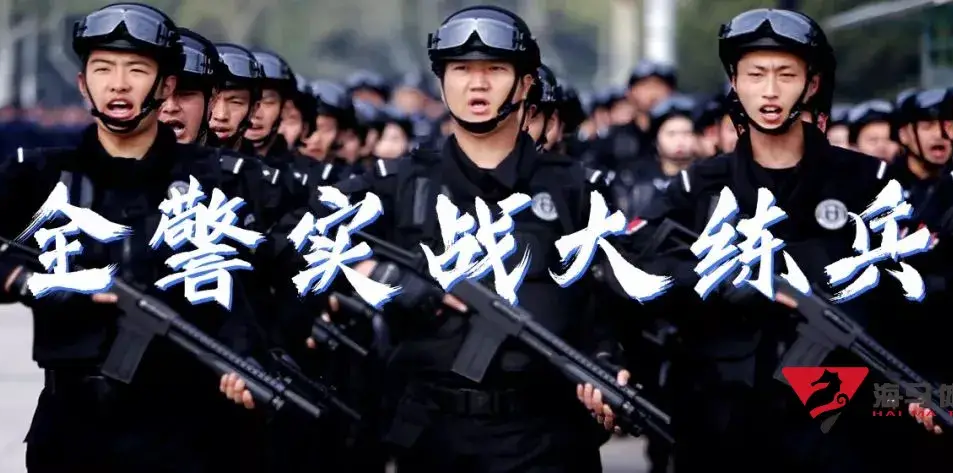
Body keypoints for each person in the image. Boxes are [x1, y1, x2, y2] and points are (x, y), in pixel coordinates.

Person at [224, 5, 626, 472]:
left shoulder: (576, 190)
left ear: (525, 83)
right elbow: (286, 242)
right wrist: (385, 276)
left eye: (495, 70)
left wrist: (607, 361)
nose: (477, 85)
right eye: (461, 70)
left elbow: (612, 304)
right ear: (441, 81)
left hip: (548, 438)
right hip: (435, 438)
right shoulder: (398, 184)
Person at [0, 3, 266, 471]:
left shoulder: (219, 182)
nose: (118, 84)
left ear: (165, 86)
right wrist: (22, 280)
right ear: (82, 84)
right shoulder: (40, 175)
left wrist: (248, 362)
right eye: (103, 68)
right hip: (72, 433)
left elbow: (255, 294)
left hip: (185, 436)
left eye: (137, 70)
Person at [626, 9, 910, 472]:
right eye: (756, 74)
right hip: (721, 416)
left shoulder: (866, 183)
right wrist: (723, 282)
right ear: (735, 83)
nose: (770, 90)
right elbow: (638, 269)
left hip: (834, 416)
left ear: (811, 85)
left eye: (786, 74)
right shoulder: (700, 187)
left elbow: (910, 292)